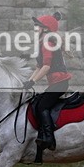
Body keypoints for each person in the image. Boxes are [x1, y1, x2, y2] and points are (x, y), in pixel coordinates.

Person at [22, 12, 72, 153]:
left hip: (60, 82)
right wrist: (29, 81)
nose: (35, 27)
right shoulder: (43, 42)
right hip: (56, 82)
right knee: (38, 104)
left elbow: (46, 67)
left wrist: (33, 81)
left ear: (45, 28)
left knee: (41, 106)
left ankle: (49, 138)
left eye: (37, 25)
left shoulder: (47, 43)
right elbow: (39, 67)